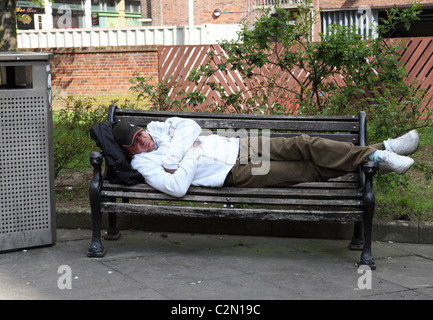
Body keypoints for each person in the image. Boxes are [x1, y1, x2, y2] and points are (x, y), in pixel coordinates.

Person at [112, 118, 419, 198]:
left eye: (139, 134)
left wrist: (177, 154)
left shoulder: (155, 129)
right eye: (136, 143)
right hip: (235, 172)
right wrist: (190, 155)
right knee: (304, 170)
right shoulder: (144, 164)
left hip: (238, 144)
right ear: (129, 152)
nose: (143, 140)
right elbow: (178, 187)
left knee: (303, 143)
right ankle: (381, 153)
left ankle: (380, 151)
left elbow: (190, 126)